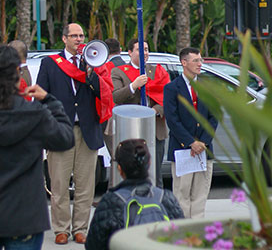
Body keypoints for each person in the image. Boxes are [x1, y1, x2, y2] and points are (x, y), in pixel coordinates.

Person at [0, 43, 75, 250]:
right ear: (16, 72)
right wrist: (49, 100)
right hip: (25, 216)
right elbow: (65, 138)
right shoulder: (34, 113)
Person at [36, 23, 113, 245]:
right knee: (59, 184)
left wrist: (91, 73)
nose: (79, 39)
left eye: (81, 35)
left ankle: (80, 228)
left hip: (87, 131)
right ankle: (61, 229)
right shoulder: (50, 64)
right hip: (60, 131)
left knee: (85, 185)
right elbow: (41, 96)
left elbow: (104, 93)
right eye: (74, 36)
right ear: (64, 39)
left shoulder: (93, 62)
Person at [85, 138, 183, 250]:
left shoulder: (111, 203)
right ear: (149, 164)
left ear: (120, 169)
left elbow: (93, 245)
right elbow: (181, 238)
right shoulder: (166, 198)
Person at [163, 47, 218, 219]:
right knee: (182, 194)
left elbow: (214, 116)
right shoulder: (172, 88)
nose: (200, 64)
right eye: (195, 60)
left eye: (200, 60)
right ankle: (183, 232)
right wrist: (190, 142)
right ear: (184, 63)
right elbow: (172, 120)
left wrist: (203, 142)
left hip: (204, 150)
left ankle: (197, 231)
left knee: (200, 194)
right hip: (182, 149)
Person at [111, 38, 170, 188]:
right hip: (130, 130)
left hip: (155, 129)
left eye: (146, 49)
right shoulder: (119, 71)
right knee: (131, 172)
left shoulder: (157, 71)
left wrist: (154, 111)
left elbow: (167, 97)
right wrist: (133, 85)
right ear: (129, 52)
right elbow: (116, 97)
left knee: (155, 175)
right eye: (139, 49)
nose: (144, 53)